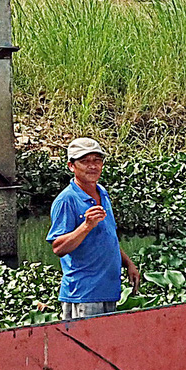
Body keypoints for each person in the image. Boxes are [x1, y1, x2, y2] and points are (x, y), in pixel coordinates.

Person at [48, 137, 140, 320]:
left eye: (97, 160)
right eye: (85, 161)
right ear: (71, 166)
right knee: (83, 347)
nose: (92, 166)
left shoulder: (102, 193)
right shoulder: (66, 200)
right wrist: (86, 226)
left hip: (110, 290)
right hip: (84, 294)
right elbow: (58, 248)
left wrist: (128, 263)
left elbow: (107, 237)